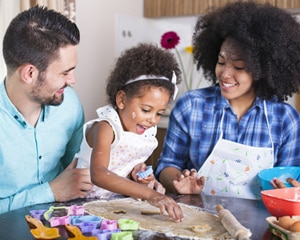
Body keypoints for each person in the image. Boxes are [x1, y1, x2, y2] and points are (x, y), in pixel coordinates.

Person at [155, 1, 300, 200]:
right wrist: (179, 181)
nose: (224, 74)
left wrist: (288, 188)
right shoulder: (190, 106)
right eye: (221, 62)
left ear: (263, 70)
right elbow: (166, 165)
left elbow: (290, 180)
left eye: (239, 67)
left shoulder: (285, 118)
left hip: (259, 223)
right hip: (198, 220)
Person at [76, 43, 184, 221]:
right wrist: (150, 195)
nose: (153, 120)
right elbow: (100, 174)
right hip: (81, 204)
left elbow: (125, 164)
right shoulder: (106, 127)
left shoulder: (145, 131)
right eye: (146, 109)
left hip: (114, 205)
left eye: (159, 113)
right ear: (121, 100)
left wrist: (140, 174)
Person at [0, 6, 92, 214]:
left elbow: (77, 170)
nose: (73, 81)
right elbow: (61, 188)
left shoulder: (69, 105)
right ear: (29, 73)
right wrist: (49, 192)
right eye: (65, 73)